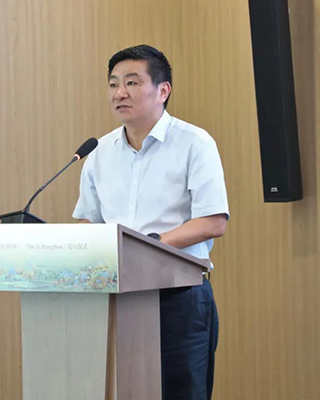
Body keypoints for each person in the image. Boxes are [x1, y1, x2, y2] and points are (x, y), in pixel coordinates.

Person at [72, 44, 230, 400]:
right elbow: (89, 221)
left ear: (163, 90)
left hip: (179, 297)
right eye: (113, 84)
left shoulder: (194, 143)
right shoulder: (98, 153)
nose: (119, 93)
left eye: (131, 82)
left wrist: (149, 245)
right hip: (115, 297)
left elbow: (212, 221)